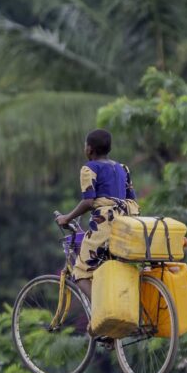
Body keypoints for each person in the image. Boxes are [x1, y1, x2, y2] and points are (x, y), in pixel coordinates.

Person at [55, 129, 139, 301]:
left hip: (105, 224)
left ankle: (102, 312)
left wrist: (66, 218)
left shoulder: (89, 168)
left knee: (80, 272)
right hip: (127, 224)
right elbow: (132, 199)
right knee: (110, 269)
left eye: (85, 145)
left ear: (90, 149)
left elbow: (88, 201)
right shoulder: (123, 169)